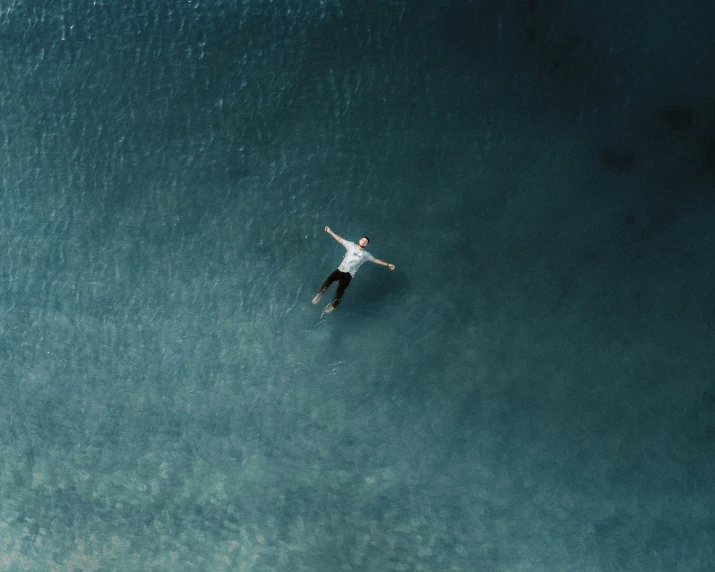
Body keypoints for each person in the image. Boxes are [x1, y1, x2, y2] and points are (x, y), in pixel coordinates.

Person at [313, 226, 395, 312]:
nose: (363, 242)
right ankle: (320, 294)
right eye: (363, 240)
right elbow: (340, 239)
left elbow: (375, 260)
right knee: (328, 280)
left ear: (366, 245)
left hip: (348, 275)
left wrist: (388, 264)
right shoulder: (351, 245)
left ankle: (334, 305)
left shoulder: (365, 255)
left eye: (365, 242)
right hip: (340, 269)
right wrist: (330, 231)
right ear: (359, 241)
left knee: (340, 292)